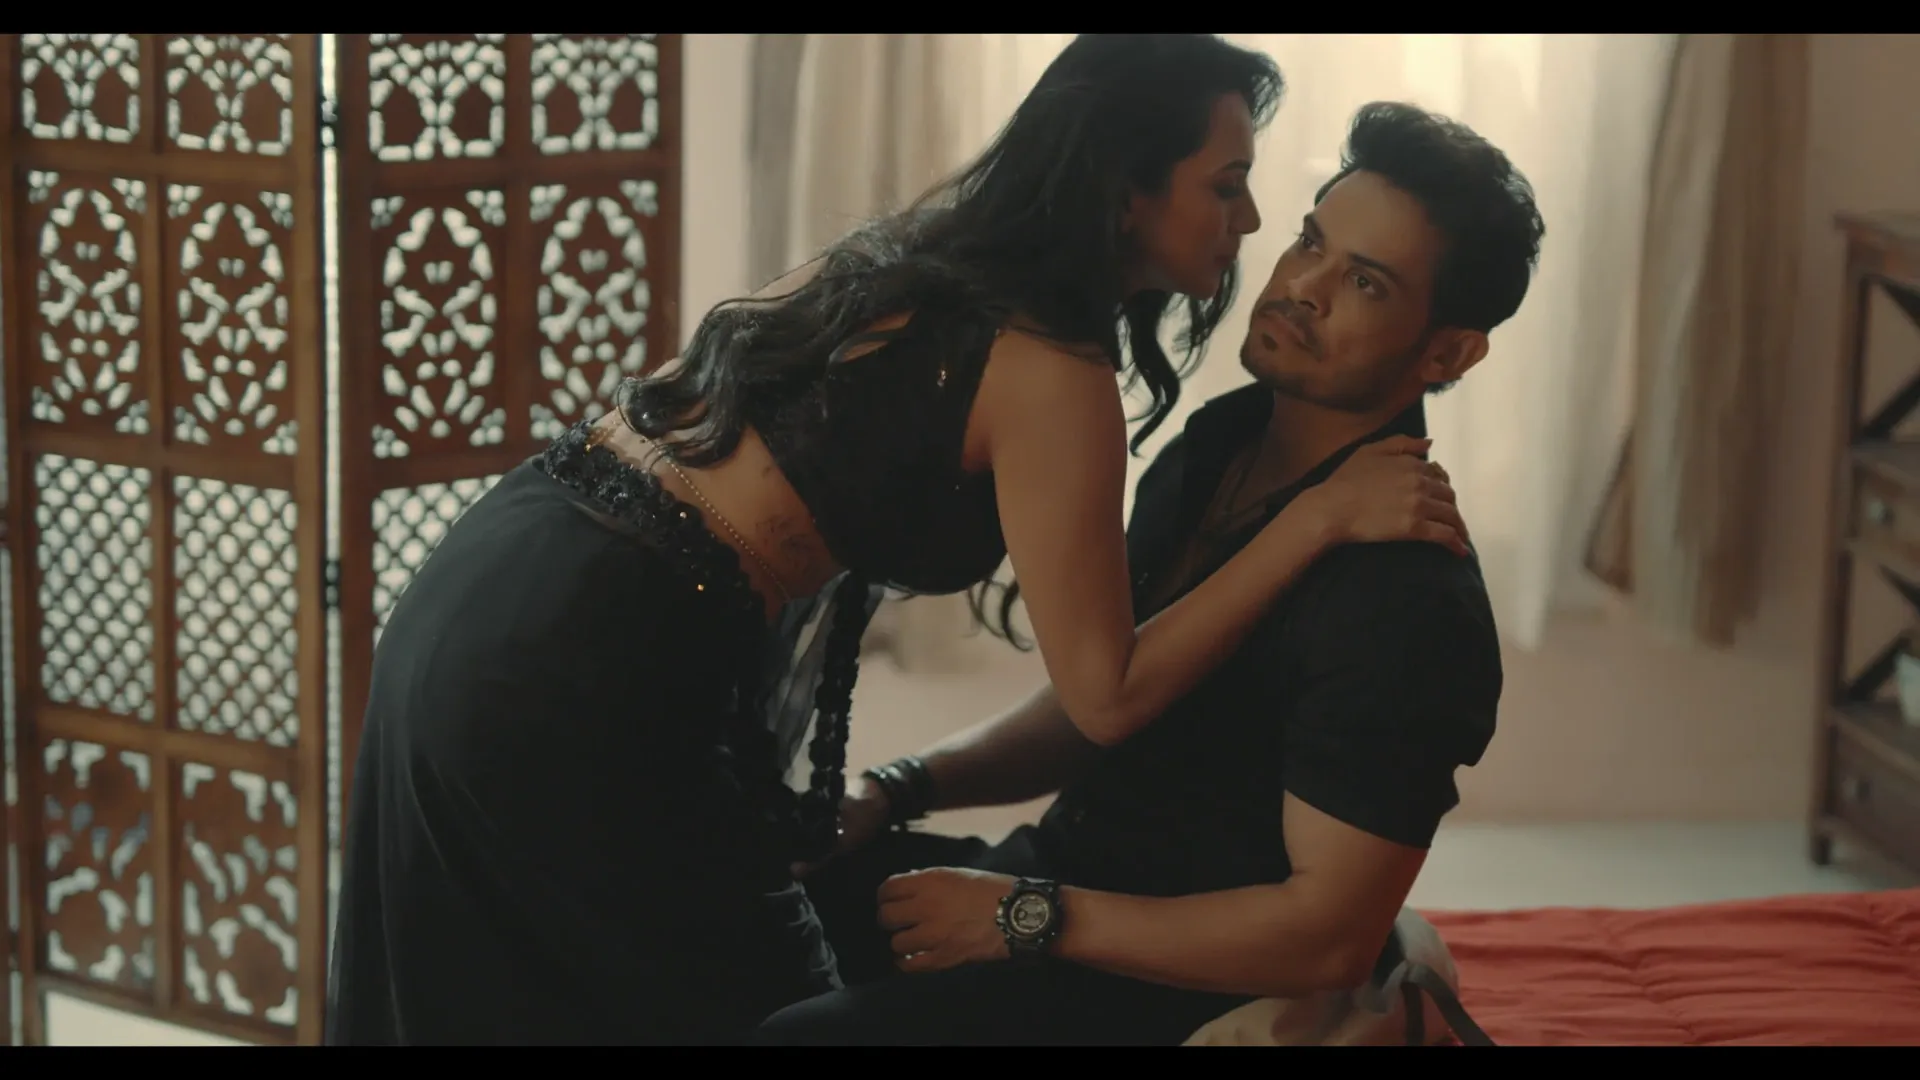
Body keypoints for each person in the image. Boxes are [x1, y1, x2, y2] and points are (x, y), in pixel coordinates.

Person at [324, 37, 1471, 1046]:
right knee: (715, 997)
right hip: (582, 655)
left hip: (503, 575)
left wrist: (903, 791)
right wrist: (1318, 518)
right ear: (1128, 191)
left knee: (532, 981)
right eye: (1229, 186)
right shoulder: (1054, 367)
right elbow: (1109, 691)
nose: (1253, 225)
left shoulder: (928, 258)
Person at [751, 100, 1545, 1046]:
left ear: (1448, 351)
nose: (1303, 286)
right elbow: (1106, 697)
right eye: (1310, 242)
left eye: (1365, 282)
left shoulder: (1407, 599)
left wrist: (1026, 917)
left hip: (1163, 986)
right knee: (727, 908)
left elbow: (1328, 939)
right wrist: (896, 788)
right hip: (1058, 891)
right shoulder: (1218, 445)